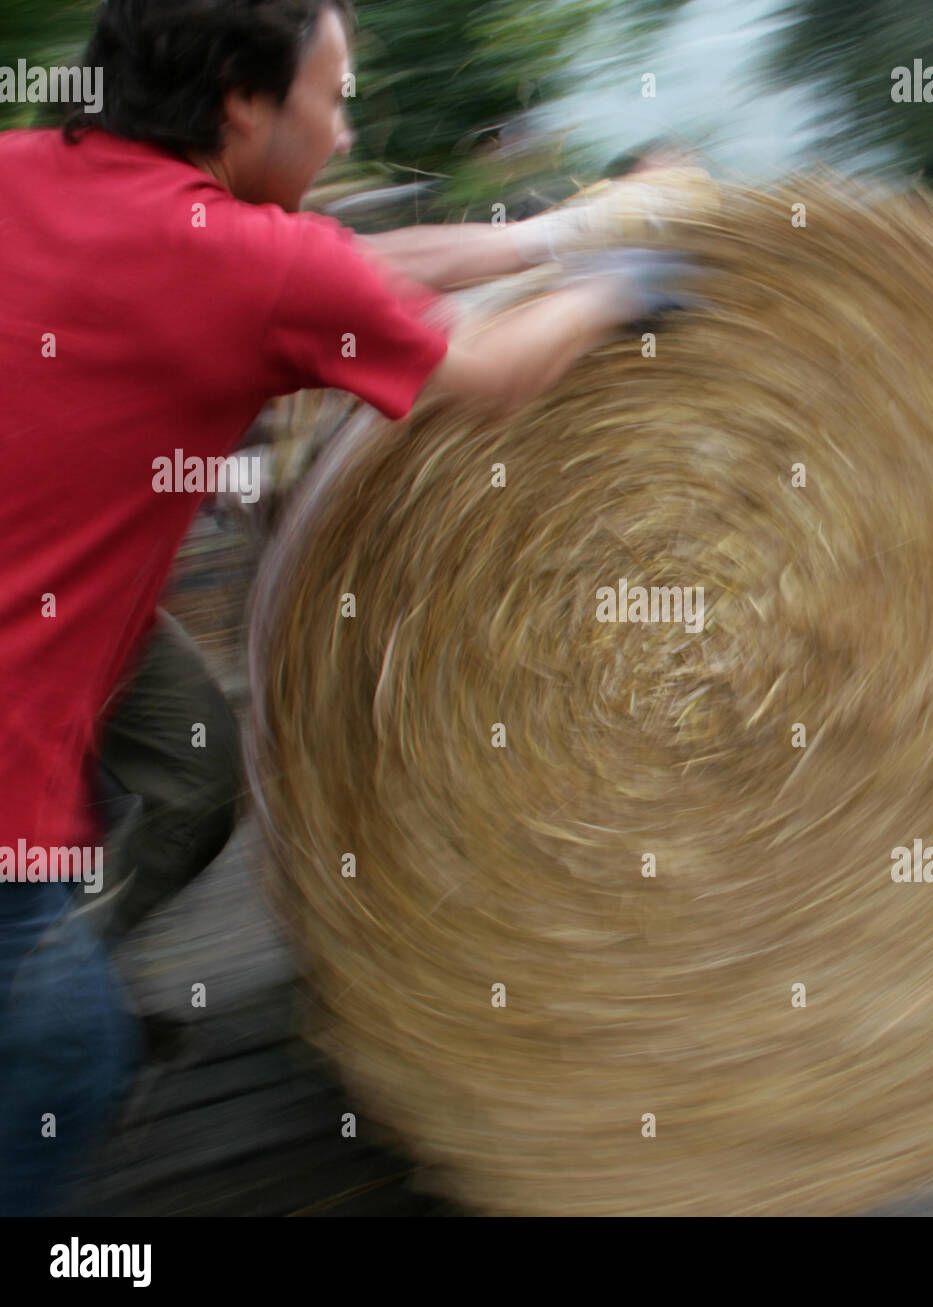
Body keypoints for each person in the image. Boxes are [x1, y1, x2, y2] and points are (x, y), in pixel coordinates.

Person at [0, 0, 703, 1216]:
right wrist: (631, 282)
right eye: (332, 97)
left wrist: (572, 232)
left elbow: (351, 266)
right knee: (65, 1047)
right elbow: (485, 373)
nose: (345, 125)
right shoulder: (246, 265)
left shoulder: (40, 173)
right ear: (239, 98)